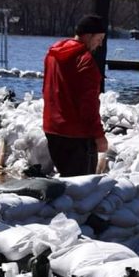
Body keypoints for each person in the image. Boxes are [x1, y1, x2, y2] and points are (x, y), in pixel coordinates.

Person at [42, 14, 109, 176]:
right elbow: (89, 106)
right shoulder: (85, 61)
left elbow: (46, 90)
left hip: (52, 129)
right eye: (99, 38)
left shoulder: (53, 54)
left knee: (66, 180)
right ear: (88, 35)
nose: (100, 44)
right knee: (81, 189)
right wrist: (99, 136)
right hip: (76, 135)